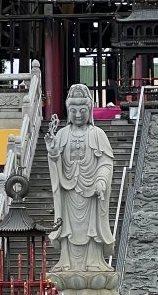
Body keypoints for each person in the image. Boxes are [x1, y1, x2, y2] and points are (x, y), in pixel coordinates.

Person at [46, 84, 116, 273]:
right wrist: (53, 154)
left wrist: (101, 180)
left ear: (90, 110)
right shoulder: (62, 134)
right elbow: (55, 159)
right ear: (68, 110)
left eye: (82, 110)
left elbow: (106, 162)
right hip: (68, 190)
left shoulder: (97, 134)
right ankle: (66, 262)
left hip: (91, 191)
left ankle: (94, 262)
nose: (78, 115)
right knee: (68, 229)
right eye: (74, 110)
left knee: (91, 230)